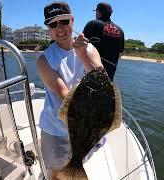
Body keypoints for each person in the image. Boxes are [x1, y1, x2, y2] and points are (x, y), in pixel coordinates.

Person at [36, 2, 103, 180]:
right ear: (48, 28)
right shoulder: (44, 60)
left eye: (64, 21)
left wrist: (83, 56)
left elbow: (104, 83)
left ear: (72, 21)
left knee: (77, 165)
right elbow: (64, 94)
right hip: (55, 129)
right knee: (56, 173)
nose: (60, 28)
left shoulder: (89, 49)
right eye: (53, 24)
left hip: (84, 127)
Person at [83, 2, 125, 81]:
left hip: (90, 75)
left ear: (98, 12)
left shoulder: (92, 24)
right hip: (109, 78)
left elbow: (81, 46)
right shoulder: (120, 30)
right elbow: (120, 54)